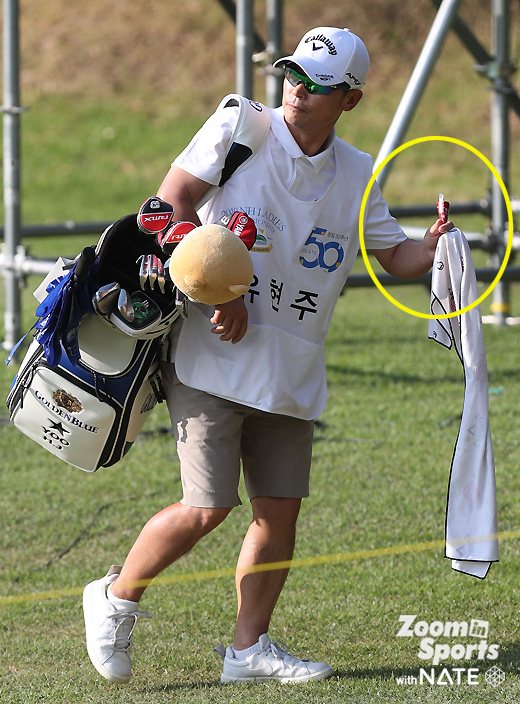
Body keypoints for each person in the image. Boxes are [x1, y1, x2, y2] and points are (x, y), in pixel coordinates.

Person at [83, 26, 454, 685]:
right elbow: (168, 205)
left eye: (318, 84)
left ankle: (247, 652)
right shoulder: (241, 127)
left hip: (292, 367)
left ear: (351, 100)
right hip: (211, 352)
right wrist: (221, 287)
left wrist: (435, 245)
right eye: (294, 75)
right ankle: (115, 597)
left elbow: (394, 255)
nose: (298, 91)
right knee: (207, 507)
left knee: (278, 511)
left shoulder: (360, 173)